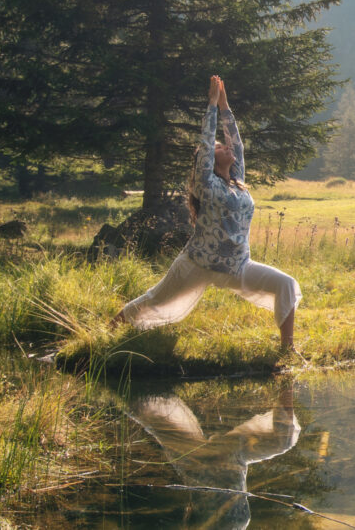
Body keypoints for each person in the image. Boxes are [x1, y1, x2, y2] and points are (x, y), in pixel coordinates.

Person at [113, 75, 300, 350]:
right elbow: (205, 142)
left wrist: (225, 106)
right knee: (154, 299)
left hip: (237, 267)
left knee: (286, 284)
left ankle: (288, 349)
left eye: (223, 146)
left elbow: (236, 143)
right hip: (197, 264)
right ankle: (107, 331)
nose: (225, 147)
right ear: (209, 162)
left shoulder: (237, 180)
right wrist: (211, 105)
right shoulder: (207, 183)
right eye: (218, 147)